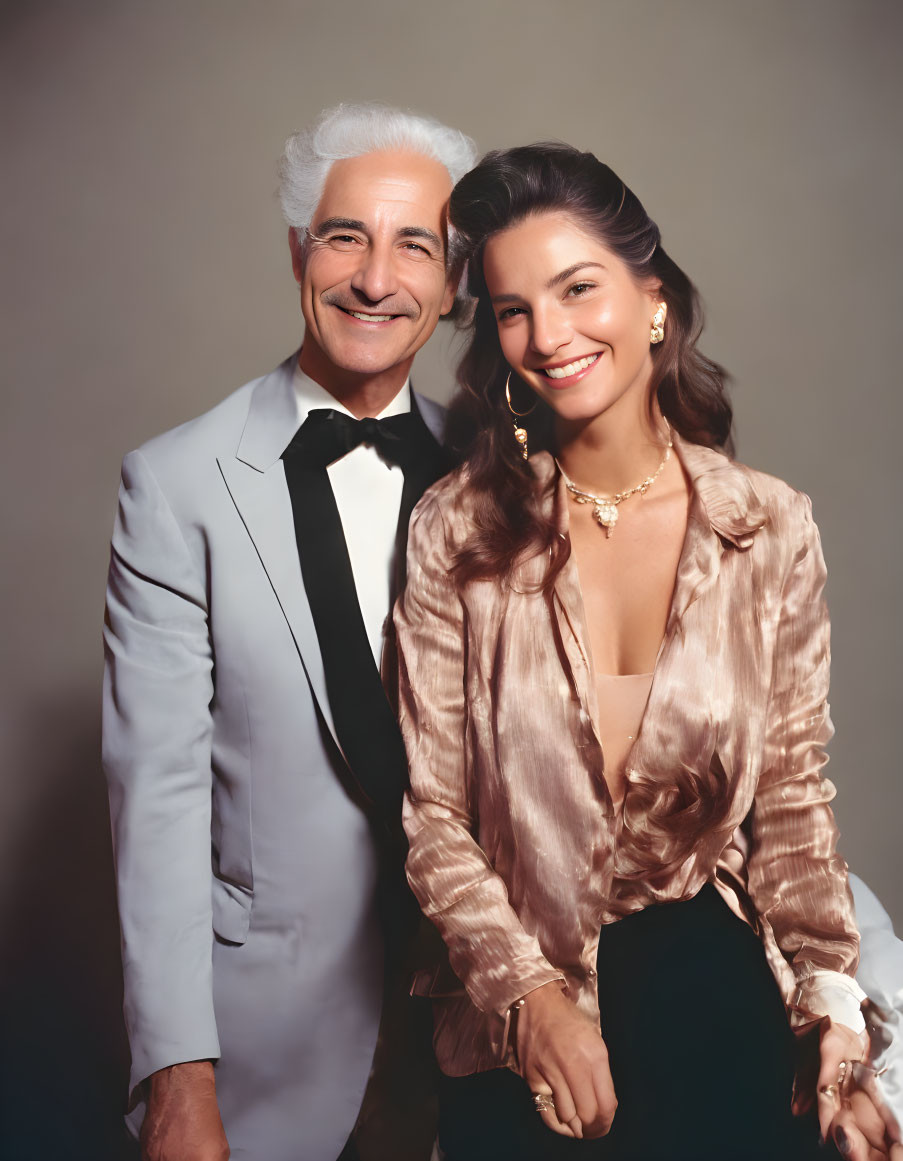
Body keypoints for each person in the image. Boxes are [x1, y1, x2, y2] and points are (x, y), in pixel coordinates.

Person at [393, 143, 899, 1161]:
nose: (550, 335)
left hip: (721, 1022)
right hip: (520, 1049)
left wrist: (840, 1047)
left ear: (653, 299)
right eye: (513, 309)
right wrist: (530, 999)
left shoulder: (769, 528)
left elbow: (795, 812)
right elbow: (435, 818)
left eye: (579, 289)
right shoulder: (456, 529)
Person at [102, 102, 476, 1161]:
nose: (375, 278)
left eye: (417, 244)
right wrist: (177, 1078)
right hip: (271, 1048)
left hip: (484, 1033)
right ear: (298, 249)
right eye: (345, 235)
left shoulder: (499, 473)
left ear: (452, 284)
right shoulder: (175, 484)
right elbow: (157, 799)